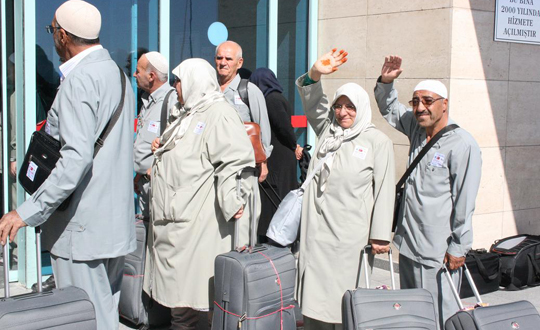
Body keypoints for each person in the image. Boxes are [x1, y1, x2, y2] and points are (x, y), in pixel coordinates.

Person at [0, 1, 136, 328]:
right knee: (105, 316)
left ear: (63, 36)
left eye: (51, 31)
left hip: (82, 229)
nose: (52, 38)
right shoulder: (117, 75)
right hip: (114, 225)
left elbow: (76, 158)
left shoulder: (79, 80)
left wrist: (26, 212)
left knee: (83, 319)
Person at [143, 58, 255, 330]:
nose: (175, 86)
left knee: (199, 304)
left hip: (198, 224)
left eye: (179, 80)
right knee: (179, 305)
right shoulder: (187, 112)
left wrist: (232, 200)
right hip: (175, 223)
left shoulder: (218, 113)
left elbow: (237, 160)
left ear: (195, 80)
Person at [375, 55, 482, 329]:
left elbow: (465, 200)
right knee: (412, 312)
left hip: (437, 250)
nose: (420, 107)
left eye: (428, 101)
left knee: (439, 314)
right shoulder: (417, 129)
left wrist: (459, 246)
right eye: (416, 102)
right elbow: (390, 109)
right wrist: (387, 81)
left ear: (444, 104)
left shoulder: (462, 144)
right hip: (408, 242)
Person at [296, 49, 396, 330]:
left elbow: (384, 191)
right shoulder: (329, 133)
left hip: (349, 239)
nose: (342, 113)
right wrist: (315, 73)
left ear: (361, 108)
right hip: (317, 232)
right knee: (315, 303)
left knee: (343, 304)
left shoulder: (377, 141)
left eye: (350, 107)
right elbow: (314, 102)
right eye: (338, 106)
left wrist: (380, 236)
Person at [249, 68, 303, 240]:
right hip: (282, 155)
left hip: (278, 157)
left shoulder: (271, 99)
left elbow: (283, 127)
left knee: (275, 195)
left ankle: (274, 235)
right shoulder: (276, 97)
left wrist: (294, 144)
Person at [215, 40, 272, 182]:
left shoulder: (249, 90)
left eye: (228, 59)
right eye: (219, 58)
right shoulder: (209, 90)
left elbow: (262, 127)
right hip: (212, 166)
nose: (223, 63)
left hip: (242, 168)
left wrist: (263, 162)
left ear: (239, 63)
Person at [133, 51, 177, 220]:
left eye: (138, 71)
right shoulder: (147, 100)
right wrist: (139, 174)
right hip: (143, 184)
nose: (135, 75)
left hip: (159, 186)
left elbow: (179, 143)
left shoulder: (172, 100)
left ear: (151, 76)